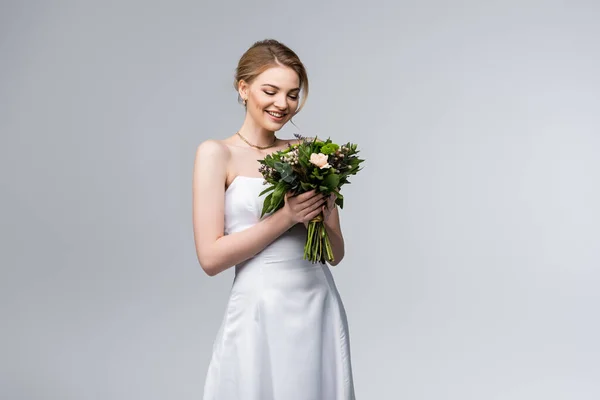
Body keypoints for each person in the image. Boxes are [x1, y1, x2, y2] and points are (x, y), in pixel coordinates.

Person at [192, 39, 355, 400]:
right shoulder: (216, 154)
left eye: (293, 94)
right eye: (271, 91)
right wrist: (287, 217)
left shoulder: (308, 151)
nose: (282, 104)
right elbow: (210, 258)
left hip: (317, 302)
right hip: (259, 307)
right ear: (244, 88)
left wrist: (326, 213)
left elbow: (336, 254)